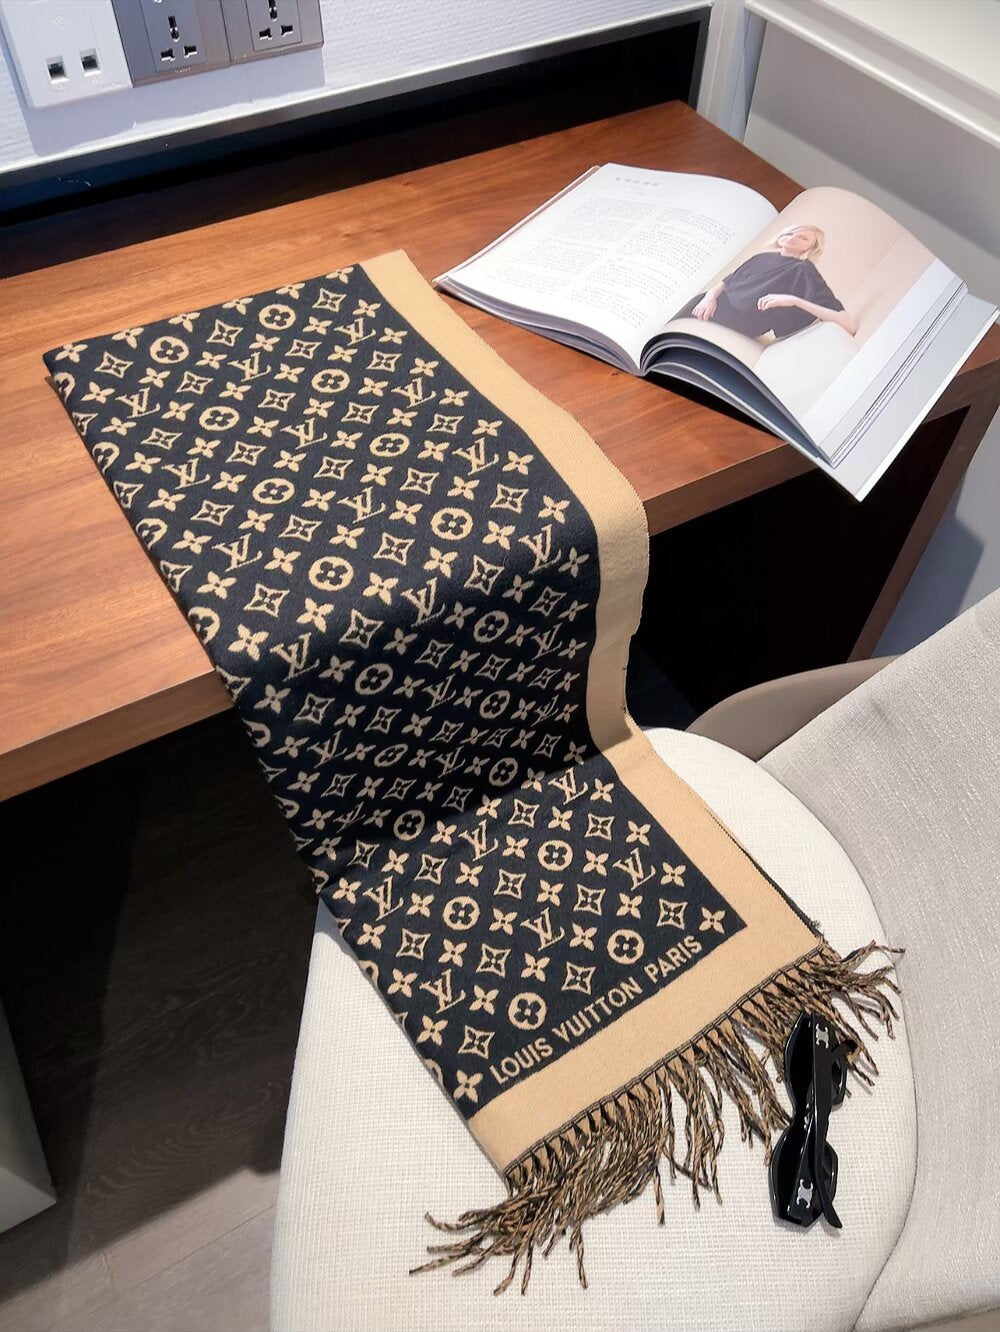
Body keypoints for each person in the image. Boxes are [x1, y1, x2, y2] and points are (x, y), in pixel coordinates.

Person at [680, 225, 858, 340]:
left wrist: (794, 301)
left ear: (812, 247)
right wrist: (709, 298)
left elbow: (848, 324)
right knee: (684, 308)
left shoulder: (804, 269)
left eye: (803, 238)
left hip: (745, 320)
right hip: (716, 303)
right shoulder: (761, 257)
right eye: (790, 233)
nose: (793, 237)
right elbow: (727, 282)